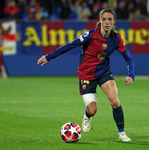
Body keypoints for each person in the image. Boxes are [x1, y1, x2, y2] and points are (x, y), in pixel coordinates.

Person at [37, 8, 135, 142]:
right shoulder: (90, 35)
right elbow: (70, 45)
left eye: (109, 19)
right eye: (104, 19)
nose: (107, 22)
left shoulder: (116, 39)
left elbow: (128, 58)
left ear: (114, 21)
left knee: (115, 101)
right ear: (100, 21)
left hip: (104, 72)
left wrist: (131, 75)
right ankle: (87, 115)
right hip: (86, 74)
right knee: (93, 110)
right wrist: (49, 56)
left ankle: (122, 133)